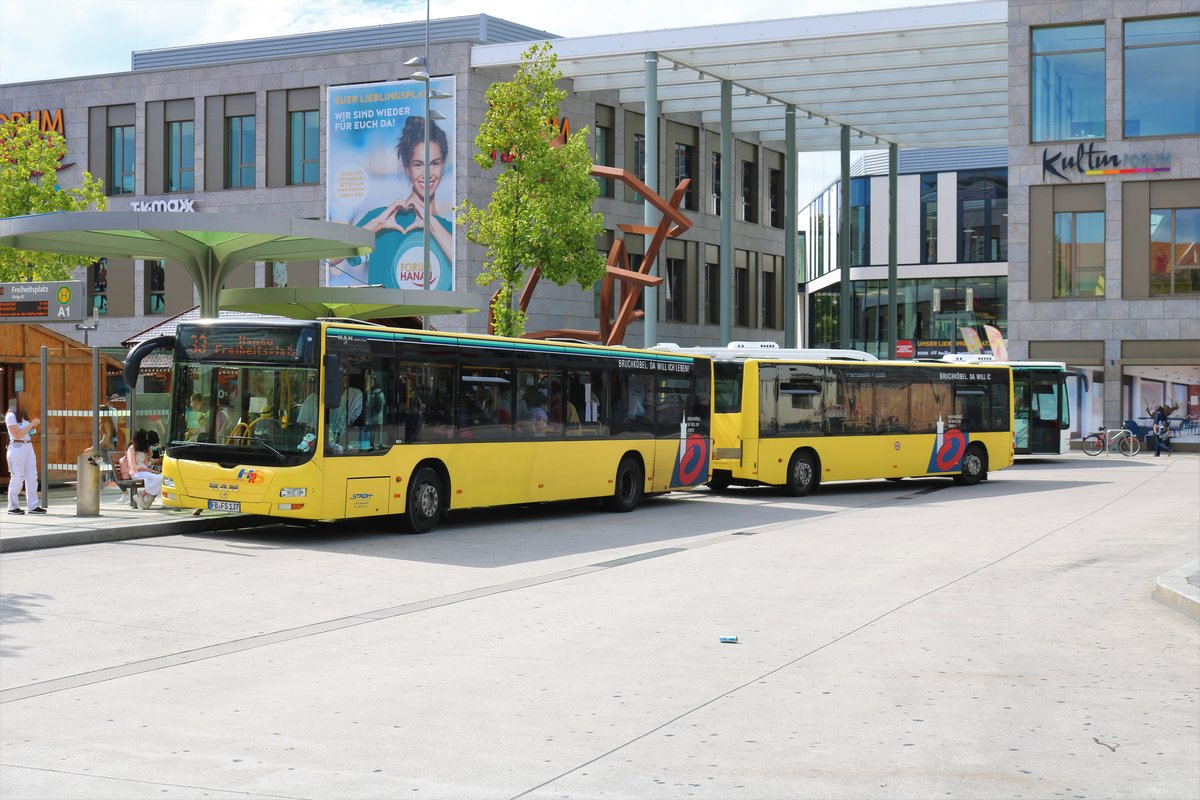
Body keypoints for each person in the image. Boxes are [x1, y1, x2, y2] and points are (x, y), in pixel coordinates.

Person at [347, 117, 454, 290]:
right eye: (418, 165)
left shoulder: (448, 230)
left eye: (435, 163)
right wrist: (377, 224)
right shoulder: (383, 220)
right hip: (387, 317)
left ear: (443, 165)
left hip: (438, 316)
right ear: (407, 167)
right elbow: (334, 257)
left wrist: (431, 224)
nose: (427, 174)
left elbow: (464, 268)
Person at [6, 398, 44, 515]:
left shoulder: (24, 416)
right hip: (17, 447)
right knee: (18, 477)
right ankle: (12, 506)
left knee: (32, 477)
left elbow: (27, 432)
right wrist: (32, 424)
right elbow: (17, 435)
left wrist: (32, 428)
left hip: (28, 446)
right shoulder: (10, 416)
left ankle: (33, 506)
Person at [126, 428, 163, 509]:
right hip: (135, 472)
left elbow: (145, 463)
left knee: (161, 478)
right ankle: (141, 496)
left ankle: (145, 501)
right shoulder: (132, 449)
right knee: (158, 478)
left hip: (144, 472)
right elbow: (134, 466)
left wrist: (149, 458)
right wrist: (152, 471)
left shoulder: (143, 449)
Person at [363, 372, 385, 447]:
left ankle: (374, 443)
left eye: (371, 381)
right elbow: (383, 402)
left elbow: (369, 404)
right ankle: (376, 444)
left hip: (374, 414)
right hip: (376, 414)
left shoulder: (373, 391)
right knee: (376, 430)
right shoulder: (377, 391)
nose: (369, 383)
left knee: (374, 429)